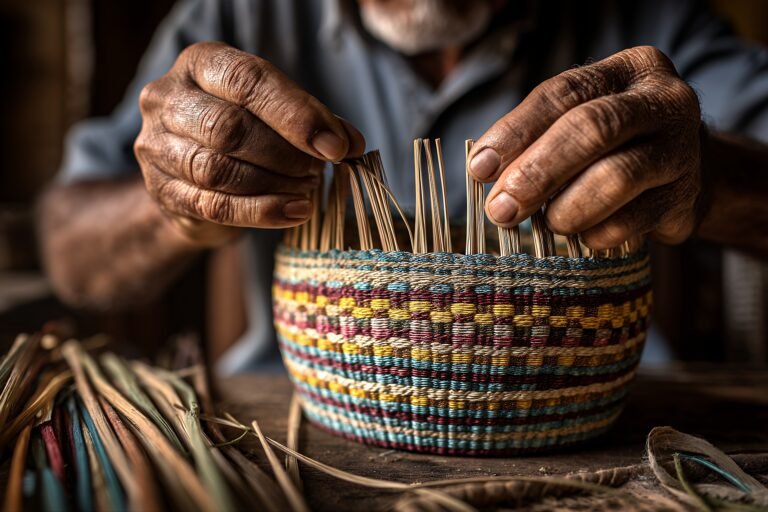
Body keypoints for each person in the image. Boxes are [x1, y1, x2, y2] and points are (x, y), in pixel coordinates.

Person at [38, 0, 768, 372]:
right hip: (298, 417)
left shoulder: (639, 14)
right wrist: (180, 203)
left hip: (608, 430)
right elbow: (70, 248)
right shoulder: (240, 12)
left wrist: (704, 179)